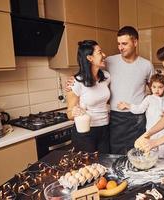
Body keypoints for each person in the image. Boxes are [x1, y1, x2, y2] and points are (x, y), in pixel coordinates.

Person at [66, 26, 154, 154]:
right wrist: (73, 81)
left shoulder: (146, 65)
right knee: (113, 157)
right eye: (118, 44)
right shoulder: (109, 61)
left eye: (124, 43)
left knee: (137, 154)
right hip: (114, 119)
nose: (120, 47)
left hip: (137, 119)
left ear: (135, 42)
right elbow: (88, 69)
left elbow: (156, 89)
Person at [66, 40, 110, 153]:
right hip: (85, 132)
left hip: (105, 128)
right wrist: (74, 112)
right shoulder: (76, 82)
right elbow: (69, 114)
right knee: (87, 168)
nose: (104, 55)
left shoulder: (106, 77)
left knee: (105, 166)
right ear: (90, 58)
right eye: (100, 52)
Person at [117, 72, 164, 158]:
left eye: (160, 87)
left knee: (163, 152)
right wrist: (127, 105)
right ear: (150, 87)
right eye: (154, 87)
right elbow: (139, 109)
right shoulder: (149, 98)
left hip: (163, 131)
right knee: (151, 152)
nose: (157, 90)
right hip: (151, 131)